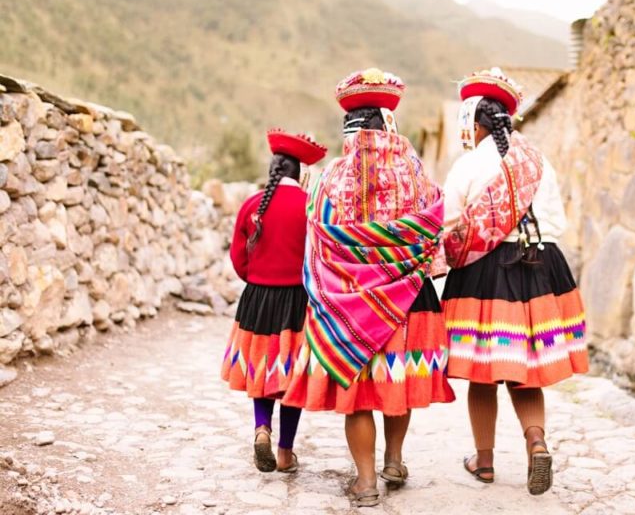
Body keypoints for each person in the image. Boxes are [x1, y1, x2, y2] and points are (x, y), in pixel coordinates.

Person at [283, 68, 455, 507]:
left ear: (349, 129)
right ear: (388, 123)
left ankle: (365, 482)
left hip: (348, 303)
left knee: (358, 391)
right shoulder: (416, 174)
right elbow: (434, 228)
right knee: (397, 381)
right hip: (411, 298)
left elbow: (316, 239)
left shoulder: (329, 178)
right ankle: (394, 459)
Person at [441, 68, 589, 495]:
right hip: (541, 268)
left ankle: (483, 462)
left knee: (483, 373)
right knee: (527, 371)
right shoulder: (540, 162)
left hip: (484, 273)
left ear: (476, 123)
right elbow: (557, 222)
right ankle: (536, 443)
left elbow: (450, 227)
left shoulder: (468, 165)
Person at [221, 129, 327, 474]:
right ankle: (284, 453)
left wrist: (257, 280)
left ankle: (261, 428)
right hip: (298, 301)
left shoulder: (252, 205)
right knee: (291, 375)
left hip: (257, 299)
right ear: (299, 174)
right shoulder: (311, 206)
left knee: (262, 368)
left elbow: (238, 258)